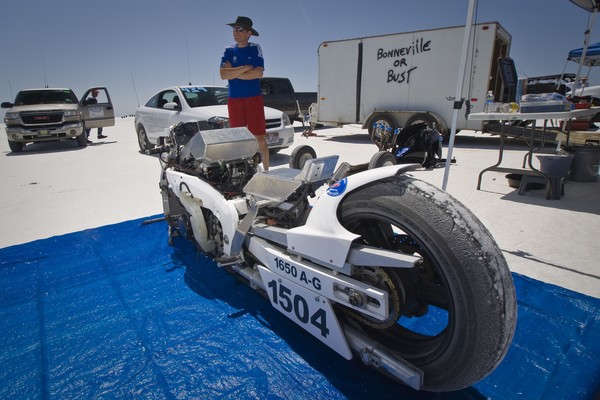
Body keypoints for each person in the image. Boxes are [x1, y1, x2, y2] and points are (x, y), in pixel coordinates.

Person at [219, 16, 268, 170]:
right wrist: (246, 67)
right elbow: (223, 75)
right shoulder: (228, 50)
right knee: (237, 139)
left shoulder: (255, 48)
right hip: (235, 100)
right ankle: (239, 173)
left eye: (240, 29)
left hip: (253, 98)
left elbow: (258, 73)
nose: (236, 32)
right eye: (234, 29)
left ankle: (266, 172)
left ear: (249, 33)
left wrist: (233, 71)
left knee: (260, 138)